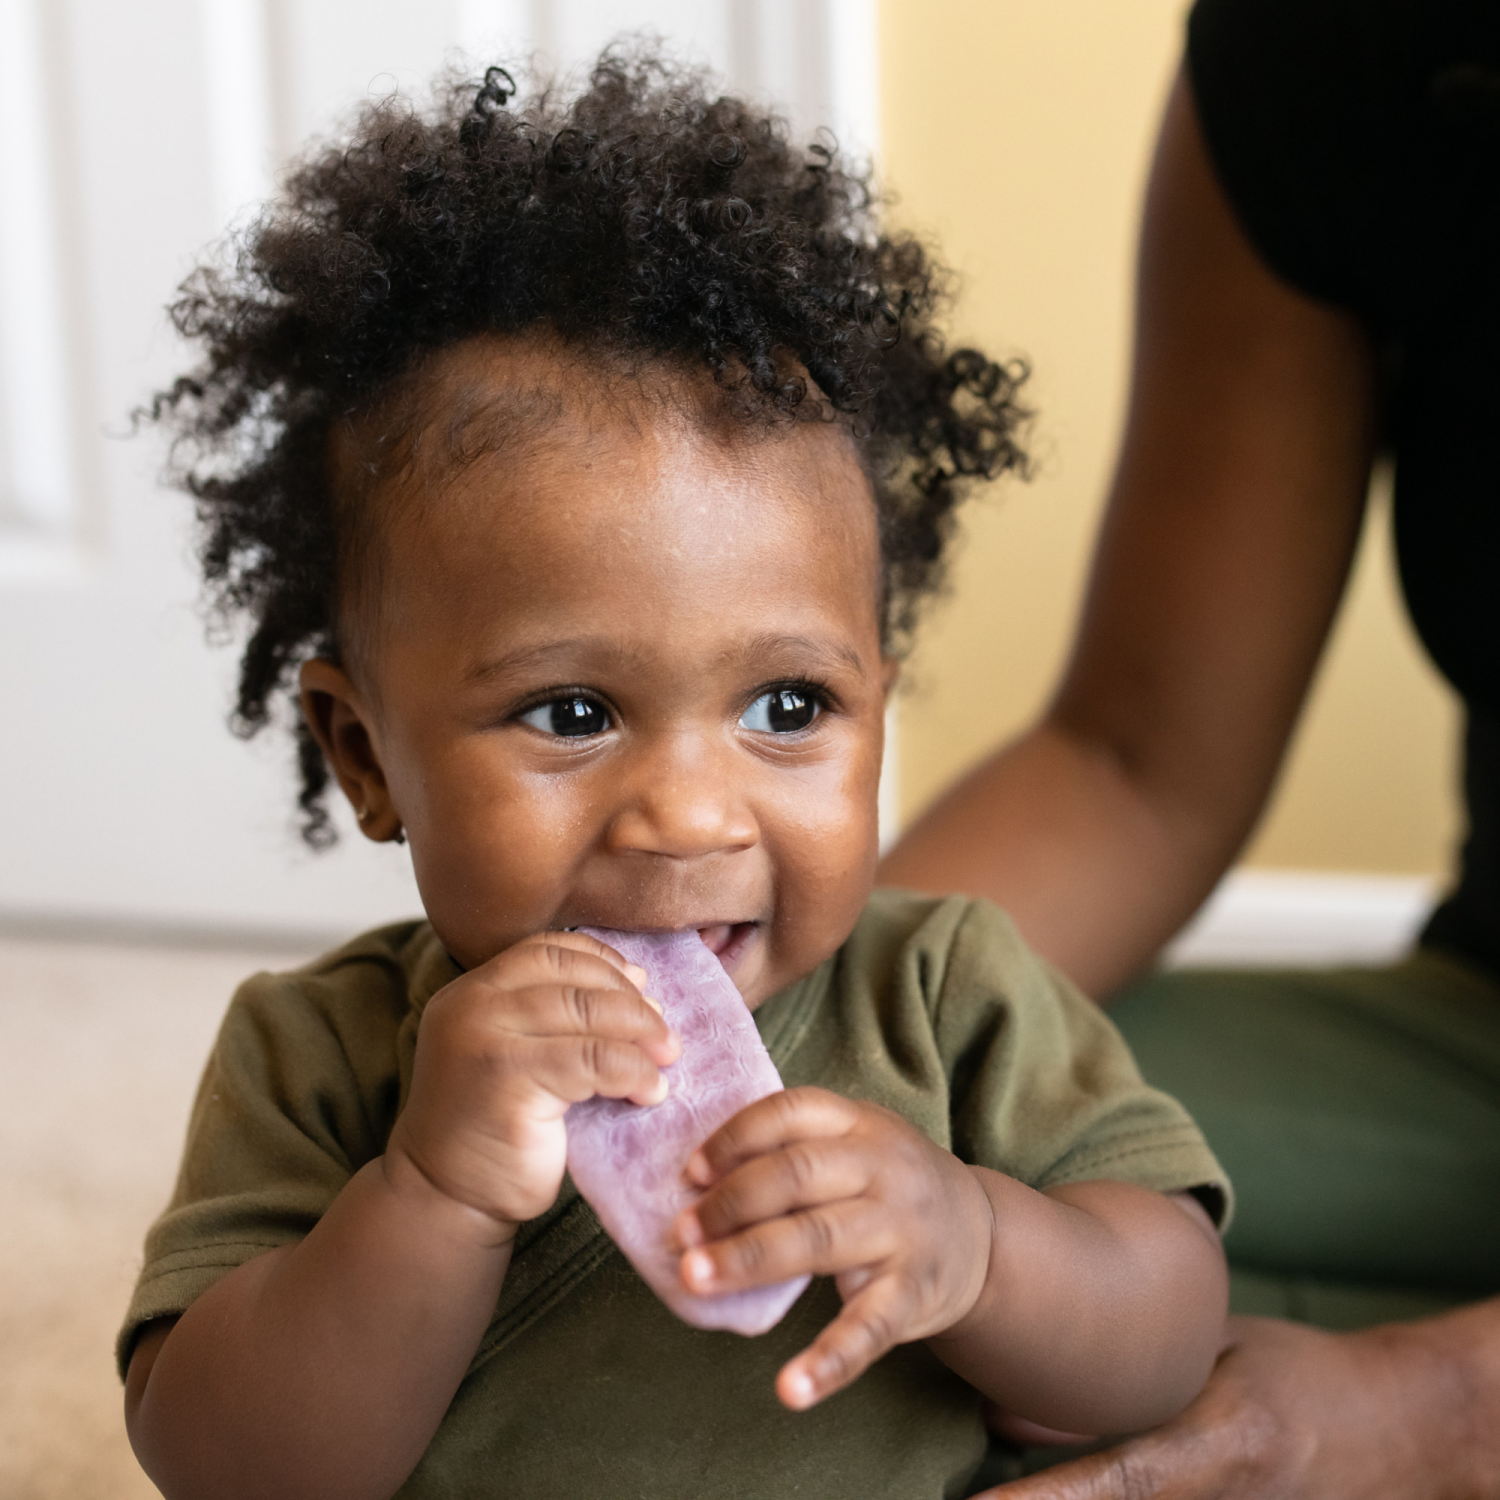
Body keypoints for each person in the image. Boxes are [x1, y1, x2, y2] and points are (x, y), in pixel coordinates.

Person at [116, 53, 1233, 1500]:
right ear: (363, 755)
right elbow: (228, 1464)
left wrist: (982, 1244)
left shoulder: (947, 993)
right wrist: (429, 1195)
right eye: (573, 712)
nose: (695, 816)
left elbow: (1169, 1331)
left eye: (789, 704)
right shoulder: (320, 1055)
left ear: (880, 708)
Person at [881, 0, 1500, 1495]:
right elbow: (1133, 764)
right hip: (1474, 1043)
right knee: (959, 1200)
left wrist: (1423, 1418)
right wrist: (801, 1048)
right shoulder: (1334, 52)